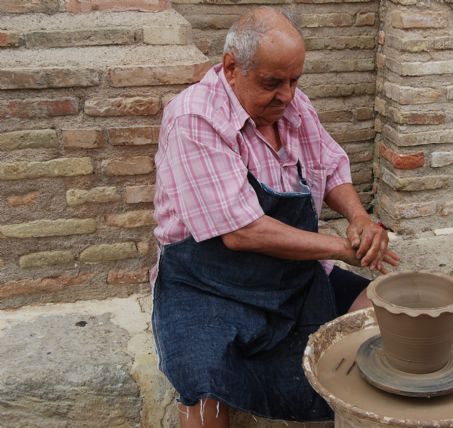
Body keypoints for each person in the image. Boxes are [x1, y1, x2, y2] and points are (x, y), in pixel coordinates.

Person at [151, 7, 400, 428]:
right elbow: (242, 232)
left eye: (294, 80)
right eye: (272, 83)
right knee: (203, 386)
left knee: (387, 316)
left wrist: (359, 217)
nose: (287, 95)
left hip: (290, 276)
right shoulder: (195, 117)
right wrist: (344, 247)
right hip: (208, 283)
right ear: (231, 68)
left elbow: (331, 166)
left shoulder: (293, 106)